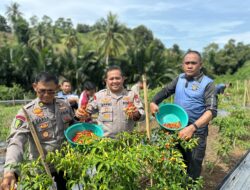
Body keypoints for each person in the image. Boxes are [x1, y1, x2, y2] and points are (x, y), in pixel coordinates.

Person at [1, 72, 76, 190]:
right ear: (35, 87)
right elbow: (16, 142)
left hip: (65, 165)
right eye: (41, 91)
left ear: (57, 88)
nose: (46, 95)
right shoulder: (27, 112)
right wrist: (10, 171)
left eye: (51, 91)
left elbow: (73, 127)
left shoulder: (64, 105)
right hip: (41, 168)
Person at [150, 50, 217, 179]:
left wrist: (192, 128)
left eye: (193, 63)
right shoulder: (179, 78)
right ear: (183, 65)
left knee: (193, 168)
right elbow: (166, 91)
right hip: (176, 129)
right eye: (187, 63)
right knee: (177, 164)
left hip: (196, 133)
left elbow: (211, 111)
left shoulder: (208, 83)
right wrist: (153, 101)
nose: (189, 66)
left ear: (200, 65)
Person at [76, 65, 145, 138]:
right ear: (106, 81)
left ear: (123, 79)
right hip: (105, 143)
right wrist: (80, 114)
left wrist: (137, 114)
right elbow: (87, 112)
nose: (115, 81)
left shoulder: (132, 95)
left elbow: (143, 116)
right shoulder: (99, 96)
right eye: (111, 79)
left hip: (127, 142)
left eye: (117, 78)